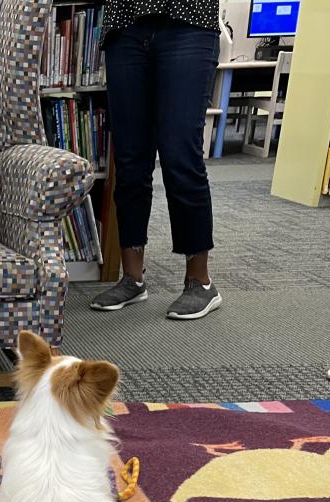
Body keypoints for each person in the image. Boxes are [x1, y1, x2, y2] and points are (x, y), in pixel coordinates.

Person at [90, 0, 224, 320]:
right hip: (125, 24)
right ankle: (132, 278)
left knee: (180, 153)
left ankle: (200, 283)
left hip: (188, 21)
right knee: (130, 160)